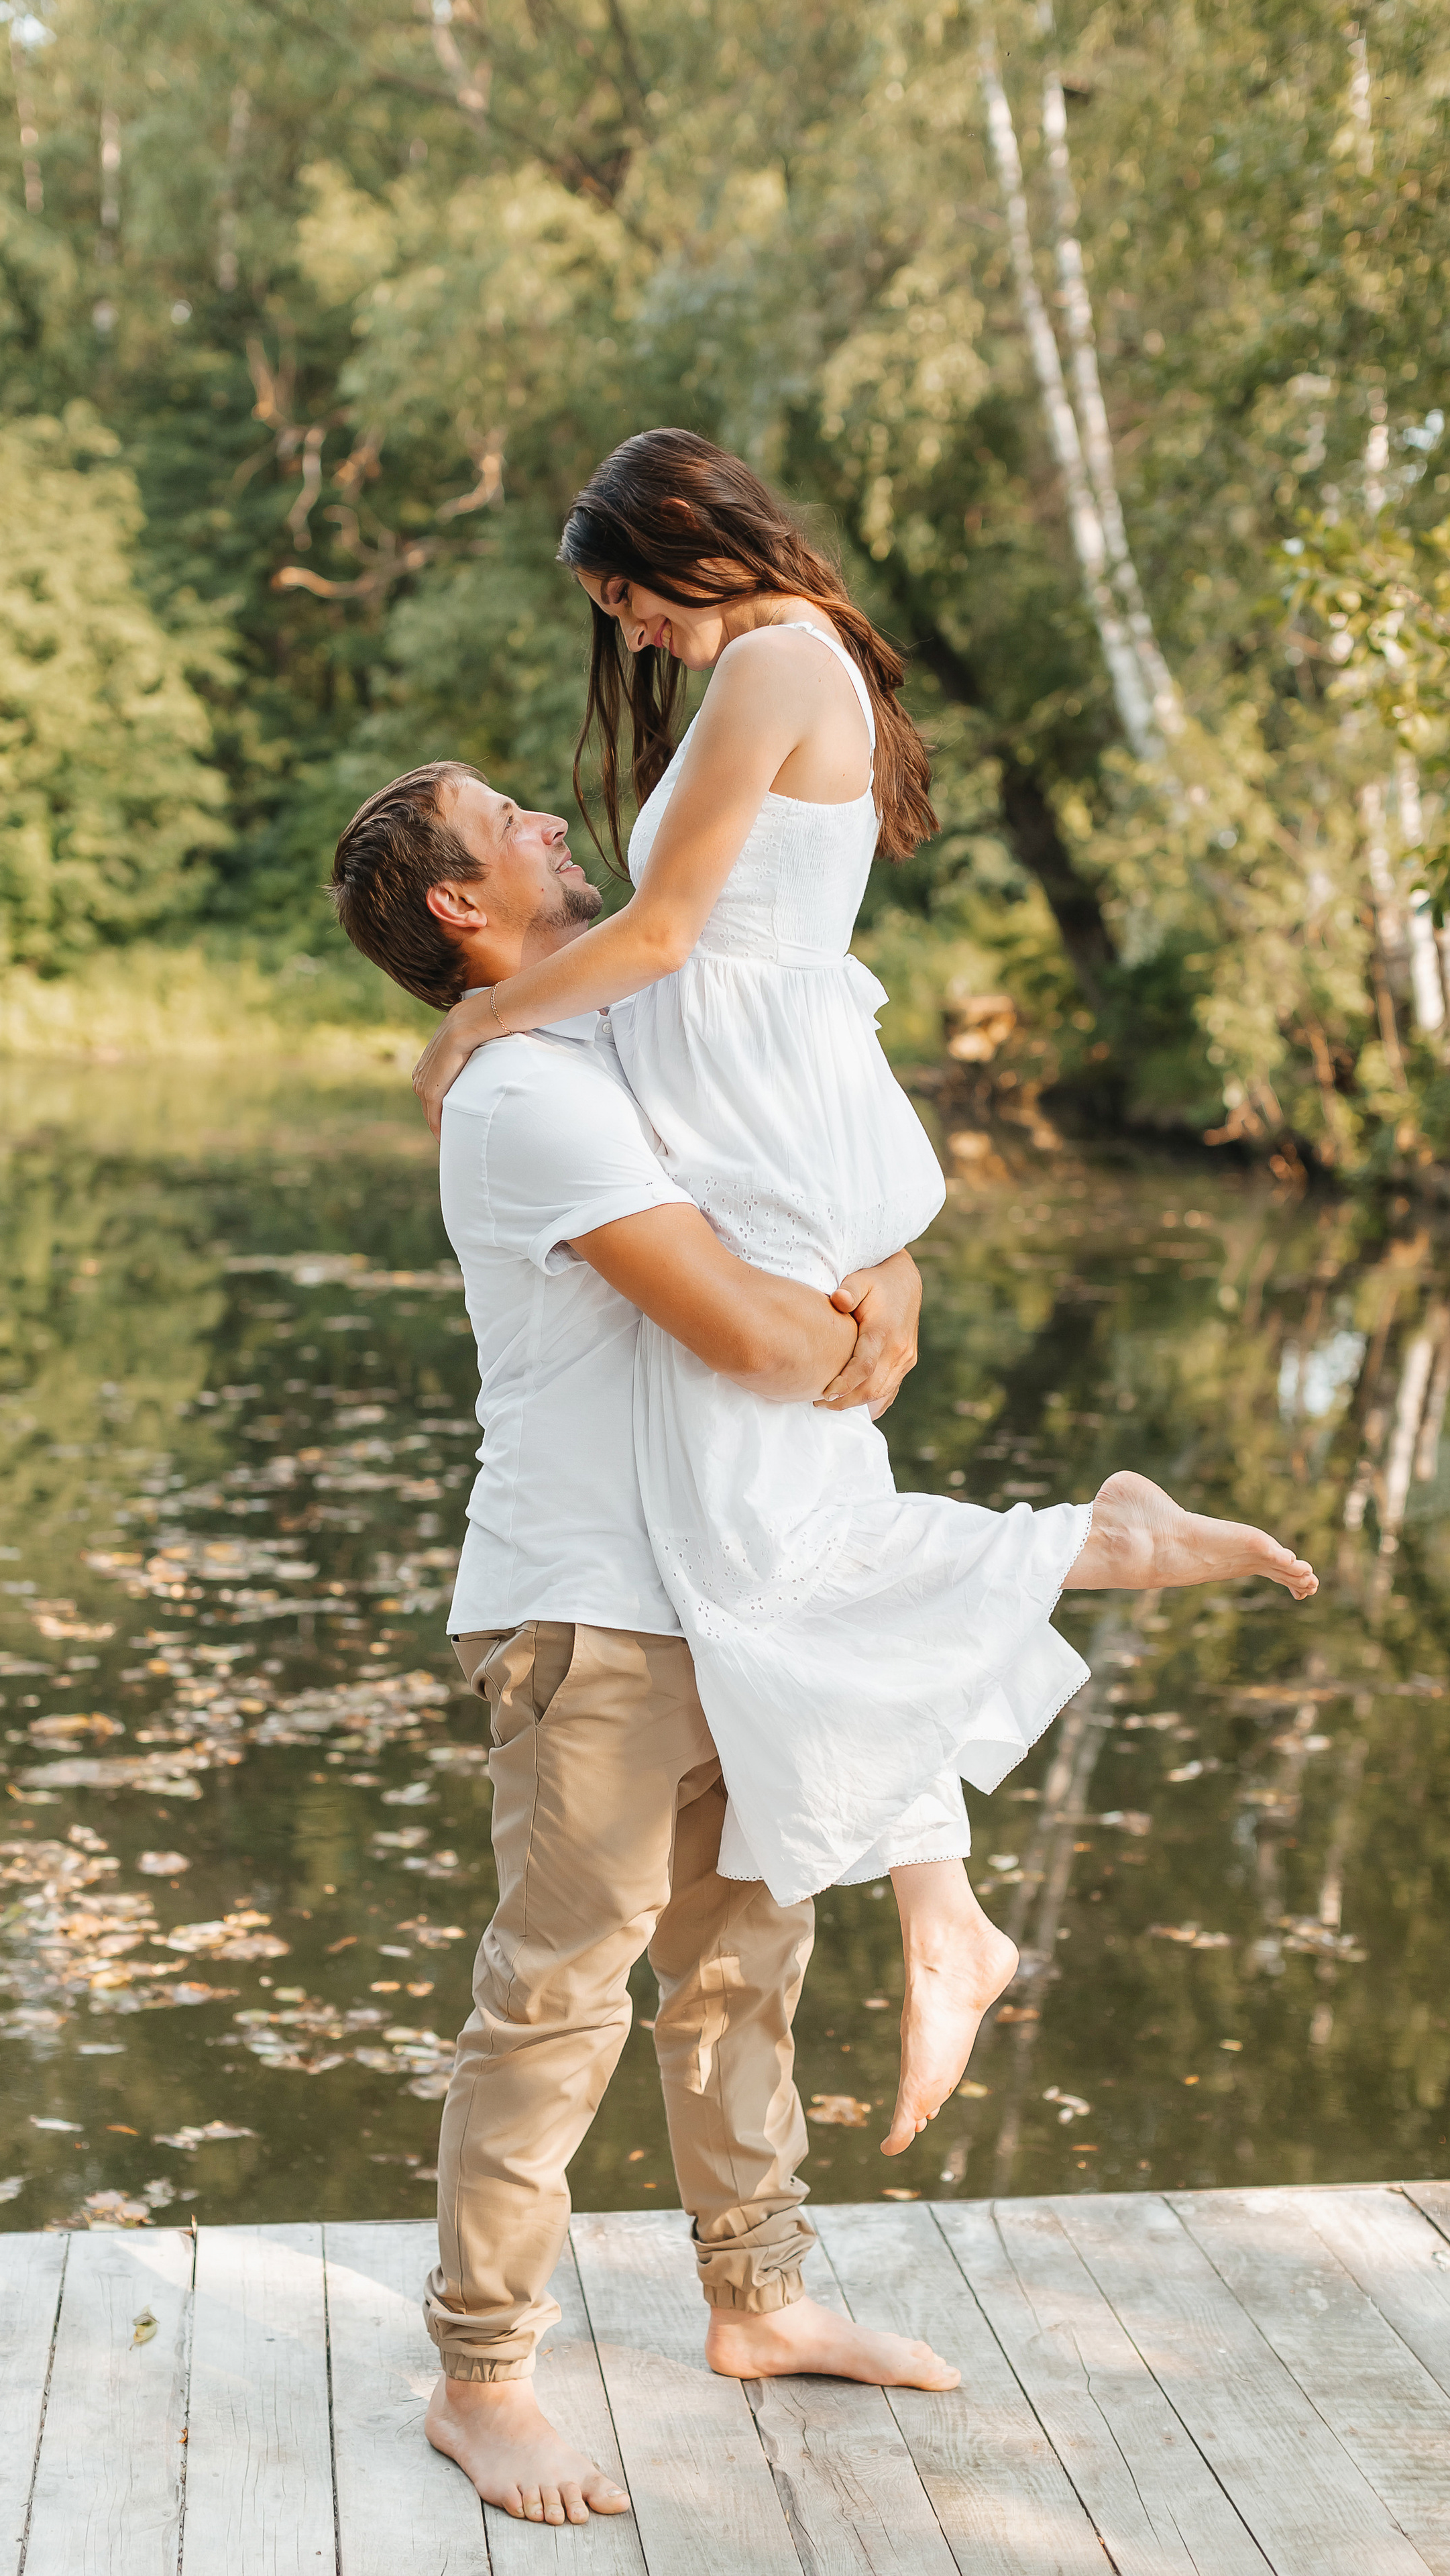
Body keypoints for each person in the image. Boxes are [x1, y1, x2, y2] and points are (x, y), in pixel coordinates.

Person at [331, 759, 1313, 2527]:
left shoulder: (638, 1033)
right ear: (457, 911)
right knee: (558, 1999)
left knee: (747, 1965)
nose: (557, 825)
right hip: (596, 1613)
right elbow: (753, 1336)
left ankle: (760, 2301)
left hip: (742, 1585)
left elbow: (825, 1216)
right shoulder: (525, 1094)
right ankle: (482, 2377)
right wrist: (851, 1328)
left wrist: (889, 1278)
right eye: (511, 827)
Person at [402, 429, 1315, 2161]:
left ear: (687, 545)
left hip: (765, 1122)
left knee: (766, 1552)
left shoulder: (775, 665)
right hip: (766, 1123)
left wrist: (480, 1016)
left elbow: (670, 933)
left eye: (628, 602)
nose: (635, 641)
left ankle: (1087, 1558)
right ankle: (942, 1904)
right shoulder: (773, 665)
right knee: (789, 1535)